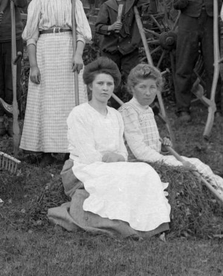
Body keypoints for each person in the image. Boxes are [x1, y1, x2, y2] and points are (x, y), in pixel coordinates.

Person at [47, 59, 170, 237]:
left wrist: (117, 158)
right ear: (90, 85)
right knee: (119, 177)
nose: (105, 88)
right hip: (84, 166)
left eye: (109, 84)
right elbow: (86, 154)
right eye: (100, 83)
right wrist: (108, 157)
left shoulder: (115, 115)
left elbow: (122, 151)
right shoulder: (79, 113)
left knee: (146, 171)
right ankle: (121, 225)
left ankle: (152, 225)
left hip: (113, 164)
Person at [120, 64, 223, 219]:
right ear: (132, 88)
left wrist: (162, 145)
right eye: (142, 87)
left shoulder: (147, 109)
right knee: (197, 166)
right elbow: (140, 151)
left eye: (153, 87)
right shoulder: (128, 110)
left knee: (203, 169)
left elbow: (148, 143)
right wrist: (172, 162)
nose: (148, 92)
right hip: (140, 163)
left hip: (154, 158)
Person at [19, 0, 92, 159]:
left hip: (69, 50)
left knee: (69, 99)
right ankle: (43, 147)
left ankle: (70, 148)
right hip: (46, 51)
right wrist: (33, 65)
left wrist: (78, 54)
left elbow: (81, 33)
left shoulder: (74, 3)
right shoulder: (39, 2)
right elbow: (31, 37)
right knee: (45, 98)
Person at [172, 0, 223, 123]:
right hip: (188, 22)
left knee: (213, 66)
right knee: (184, 65)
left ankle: (216, 106)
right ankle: (183, 108)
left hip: (210, 22)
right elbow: (176, 4)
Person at [93, 0, 144, 87]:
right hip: (111, 49)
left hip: (129, 49)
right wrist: (110, 27)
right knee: (110, 79)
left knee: (133, 80)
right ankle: (112, 104)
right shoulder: (107, 5)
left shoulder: (135, 2)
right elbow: (98, 27)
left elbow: (151, 10)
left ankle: (131, 104)